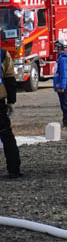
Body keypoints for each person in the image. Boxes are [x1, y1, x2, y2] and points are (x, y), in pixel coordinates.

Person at [0, 47, 22, 179]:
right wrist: (11, 101)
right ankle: (13, 170)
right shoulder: (2, 54)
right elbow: (9, 78)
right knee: (6, 135)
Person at [52, 40, 67, 128]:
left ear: (60, 47)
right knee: (64, 103)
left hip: (63, 86)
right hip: (62, 85)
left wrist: (62, 86)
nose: (56, 49)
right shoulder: (63, 58)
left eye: (57, 47)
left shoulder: (63, 59)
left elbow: (64, 73)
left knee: (65, 103)